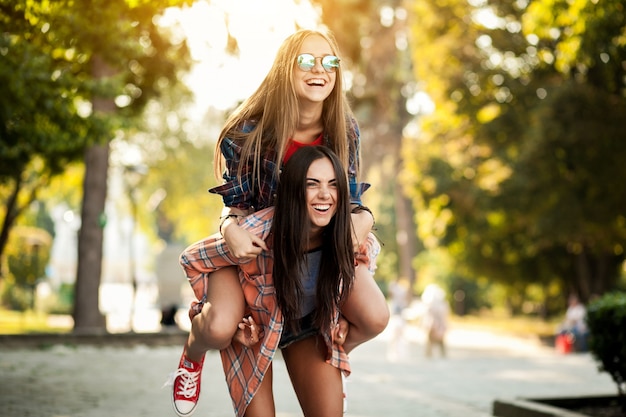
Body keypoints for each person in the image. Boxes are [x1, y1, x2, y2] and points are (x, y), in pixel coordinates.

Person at [168, 29, 389, 416]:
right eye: (307, 61)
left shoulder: (344, 130)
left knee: (374, 314)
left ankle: (334, 345)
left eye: (330, 62)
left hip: (308, 263)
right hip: (253, 258)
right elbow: (234, 205)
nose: (319, 70)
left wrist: (364, 220)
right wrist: (227, 229)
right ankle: (192, 351)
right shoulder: (247, 132)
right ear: (286, 68)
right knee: (220, 327)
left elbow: (353, 202)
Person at [177, 146, 357, 417]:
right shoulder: (261, 231)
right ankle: (192, 354)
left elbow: (364, 259)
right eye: (312, 184)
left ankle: (332, 377)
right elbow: (193, 258)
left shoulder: (344, 231)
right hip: (254, 323)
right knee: (217, 328)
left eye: (333, 185)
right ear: (294, 189)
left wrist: (342, 314)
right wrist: (219, 310)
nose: (324, 194)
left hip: (301, 324)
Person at [421, 284, 449, 358]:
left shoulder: (430, 303)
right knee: (437, 340)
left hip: (432, 323)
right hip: (435, 323)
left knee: (432, 340)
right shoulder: (441, 303)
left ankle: (430, 354)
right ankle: (435, 354)